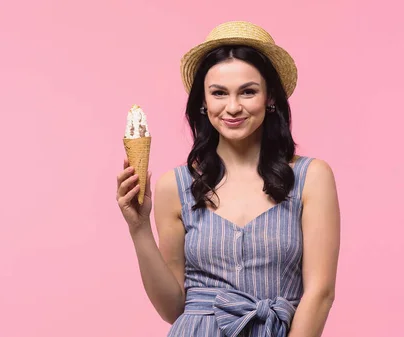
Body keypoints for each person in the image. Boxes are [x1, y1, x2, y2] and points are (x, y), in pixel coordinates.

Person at [116, 21, 340, 337]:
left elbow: (320, 293)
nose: (232, 107)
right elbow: (172, 308)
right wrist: (138, 228)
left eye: (248, 92)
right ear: (203, 103)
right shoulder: (175, 186)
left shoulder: (311, 178)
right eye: (219, 93)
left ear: (270, 97)